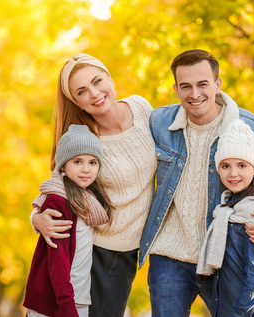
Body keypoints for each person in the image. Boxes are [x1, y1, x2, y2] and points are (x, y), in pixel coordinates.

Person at [139, 49, 254, 316]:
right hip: (170, 259)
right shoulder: (159, 123)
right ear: (176, 89)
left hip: (230, 251)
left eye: (202, 84)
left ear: (218, 84)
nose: (194, 94)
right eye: (185, 86)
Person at [29, 53, 157, 316]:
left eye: (98, 81)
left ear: (110, 78)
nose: (95, 93)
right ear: (77, 102)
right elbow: (57, 185)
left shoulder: (141, 107)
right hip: (101, 250)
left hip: (133, 248)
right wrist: (35, 217)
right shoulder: (84, 138)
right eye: (82, 91)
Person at [197, 119, 254, 316]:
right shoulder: (228, 206)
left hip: (252, 309)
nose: (233, 173)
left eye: (242, 165)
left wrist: (240, 312)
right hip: (232, 304)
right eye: (225, 166)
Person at [23, 124, 113, 317]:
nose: (86, 169)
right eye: (77, 161)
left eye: (93, 162)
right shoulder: (58, 201)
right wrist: (66, 307)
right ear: (63, 164)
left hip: (77, 299)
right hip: (56, 303)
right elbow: (58, 262)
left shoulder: (86, 200)